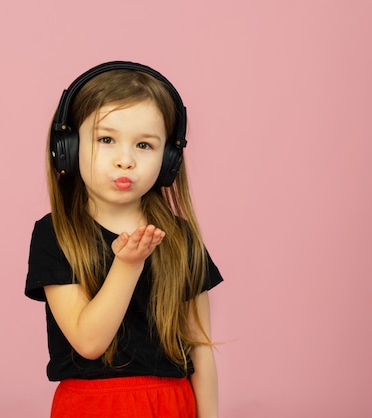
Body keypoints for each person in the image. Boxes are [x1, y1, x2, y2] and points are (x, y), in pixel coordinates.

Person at [25, 61, 223, 418]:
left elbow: (200, 349)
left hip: (172, 405)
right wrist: (128, 265)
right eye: (106, 139)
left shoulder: (180, 239)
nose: (125, 160)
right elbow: (89, 342)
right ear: (67, 147)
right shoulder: (55, 234)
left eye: (145, 145)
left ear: (169, 161)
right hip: (91, 407)